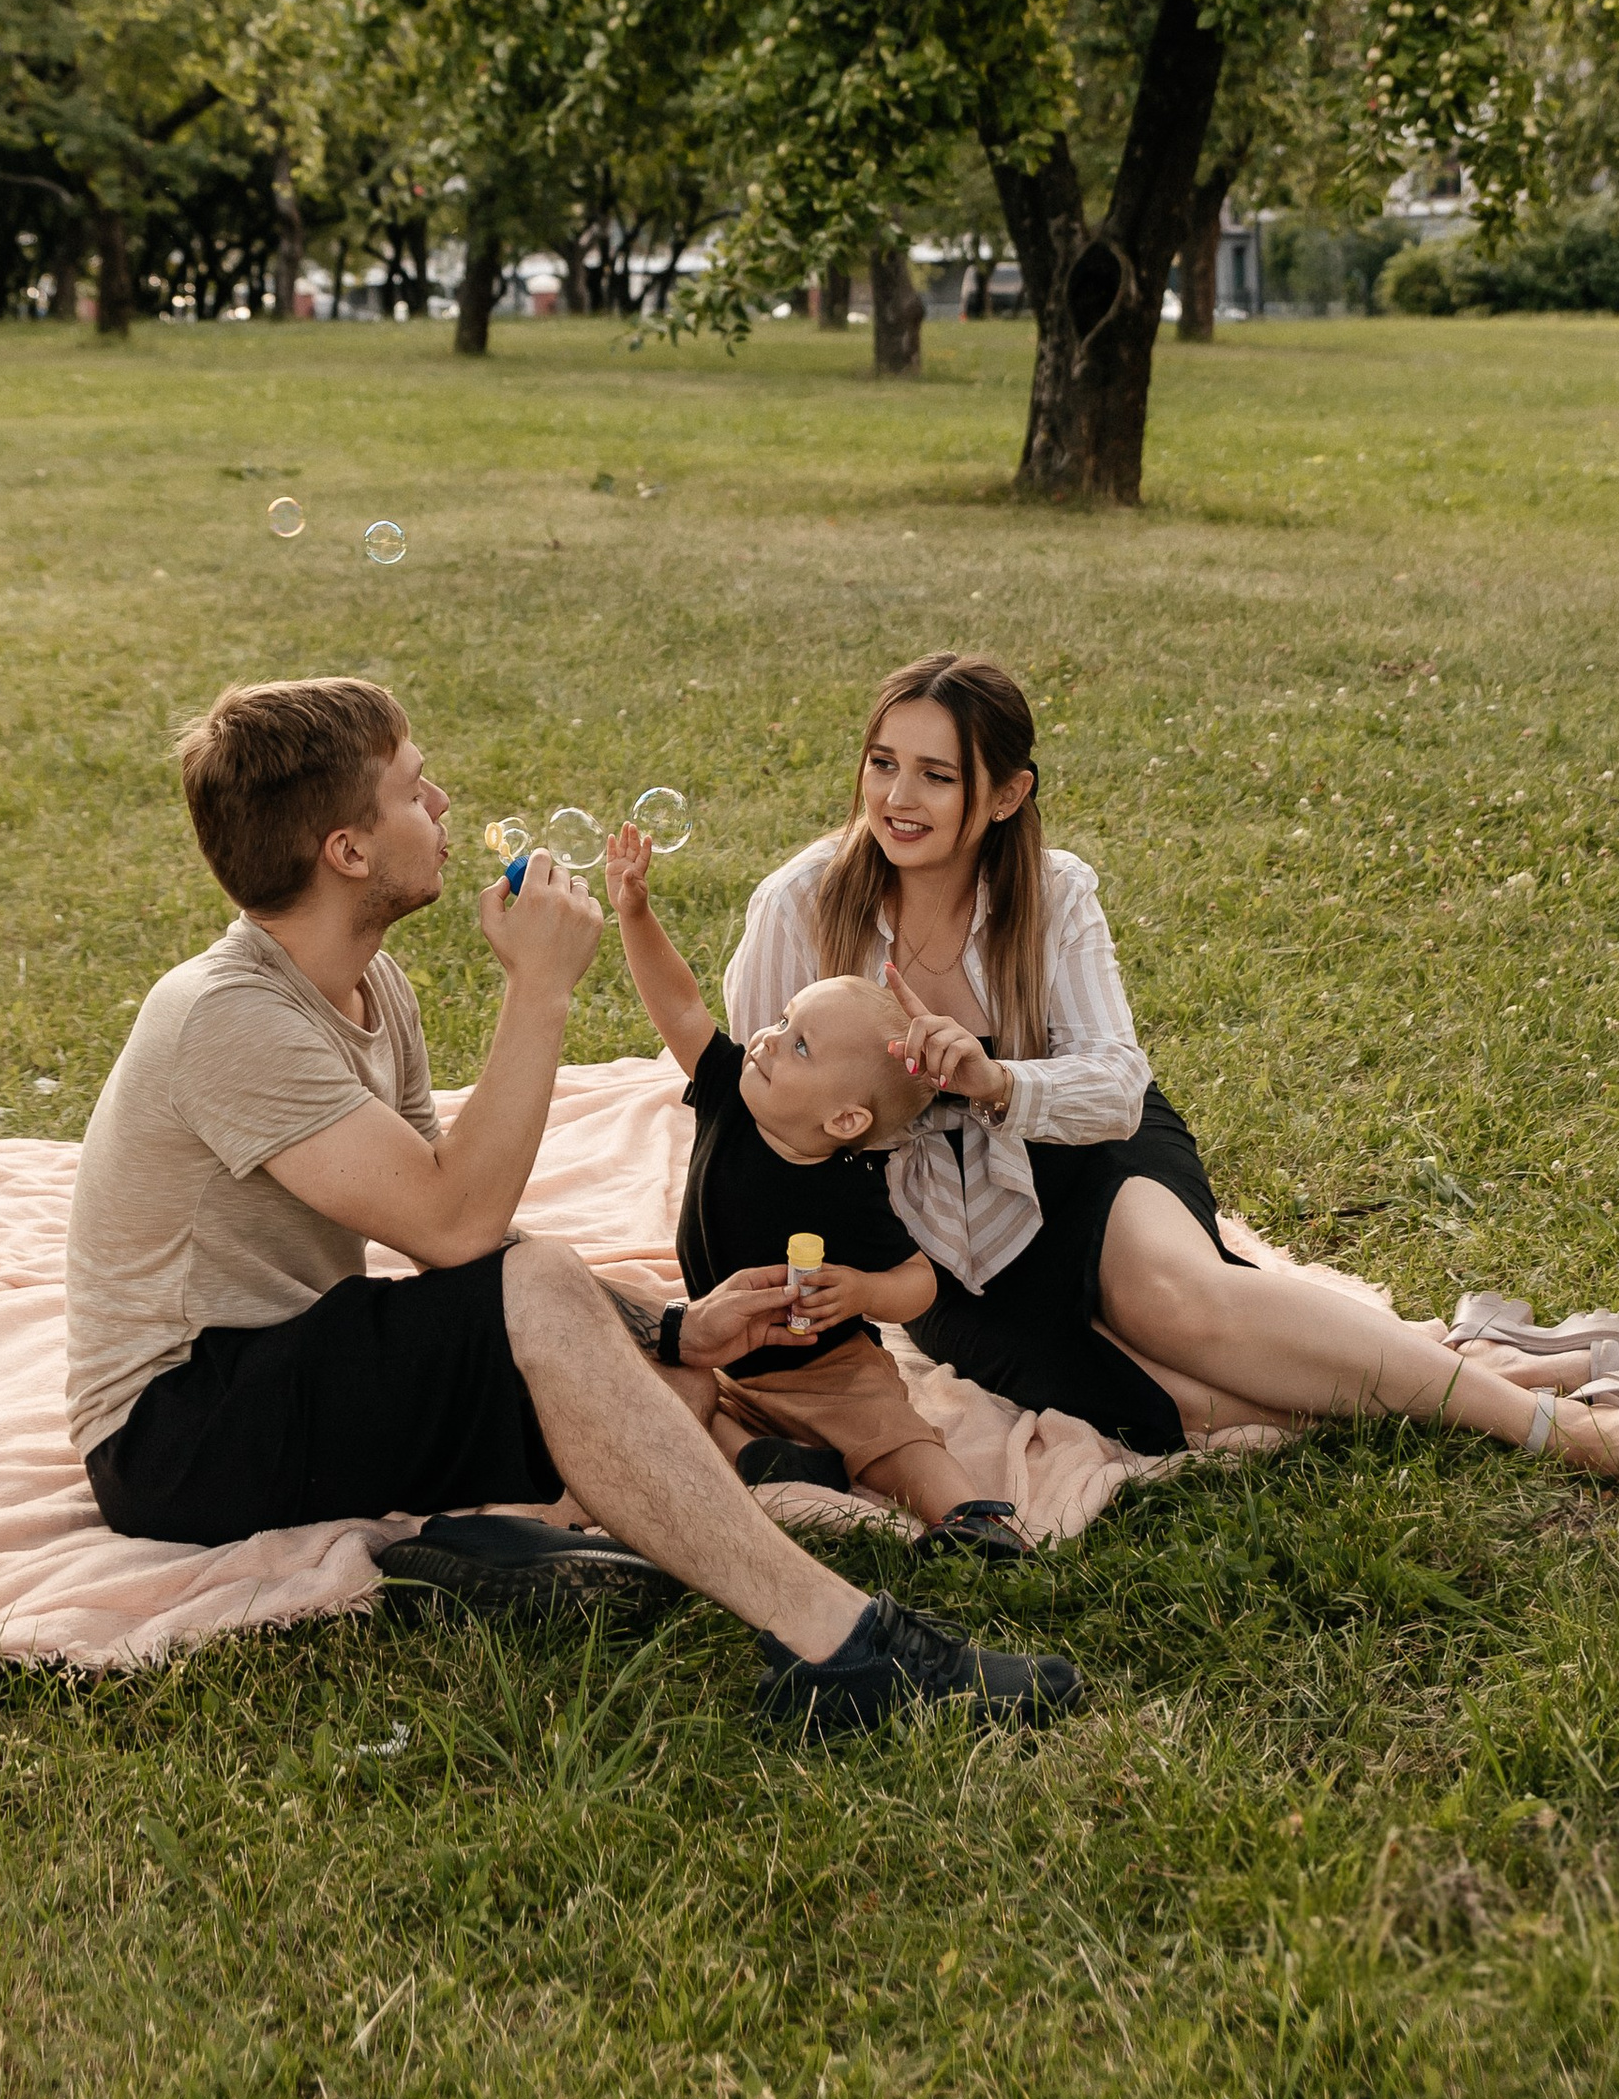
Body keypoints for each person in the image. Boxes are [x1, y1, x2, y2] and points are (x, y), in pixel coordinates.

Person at [64, 673, 1084, 1730]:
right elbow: (455, 1222)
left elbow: (456, 1254)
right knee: (551, 1289)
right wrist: (540, 987)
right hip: (178, 1430)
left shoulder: (374, 988)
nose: (443, 803)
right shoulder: (228, 1018)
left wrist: (673, 1327)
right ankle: (838, 1642)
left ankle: (494, 1548)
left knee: (641, 1365)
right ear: (348, 851)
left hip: (305, 1361)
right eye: (414, 789)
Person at [722, 654, 1619, 1512]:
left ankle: (1570, 1431)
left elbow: (1115, 1087)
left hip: (1079, 1152)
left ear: (1005, 795)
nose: (897, 799)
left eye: (936, 776)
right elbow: (752, 1093)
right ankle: (1482, 1359)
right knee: (1184, 1403)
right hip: (936, 1228)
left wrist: (996, 1081)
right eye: (883, 764)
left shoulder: (1053, 893)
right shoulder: (801, 906)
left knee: (1181, 1308)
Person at [603, 818, 1025, 1557]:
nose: (767, 1038)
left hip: (831, 1369)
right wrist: (634, 911)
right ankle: (762, 1458)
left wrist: (862, 1292)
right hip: (722, 1348)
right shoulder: (730, 1092)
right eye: (782, 1019)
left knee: (892, 1433)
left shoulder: (850, 1186)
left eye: (798, 1044)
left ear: (845, 1120)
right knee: (667, 1394)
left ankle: (971, 1517)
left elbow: (918, 1281)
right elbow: (680, 1005)